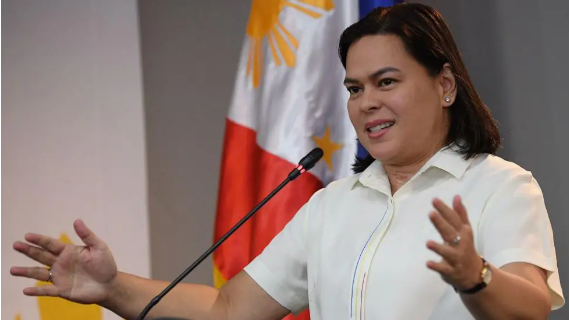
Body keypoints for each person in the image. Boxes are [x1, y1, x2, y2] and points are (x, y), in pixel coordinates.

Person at [9, 3, 565, 320]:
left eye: (386, 82)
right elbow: (229, 310)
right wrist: (110, 288)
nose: (365, 102)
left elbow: (533, 307)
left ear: (444, 86)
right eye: (353, 87)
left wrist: (477, 277)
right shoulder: (331, 207)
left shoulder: (500, 187)